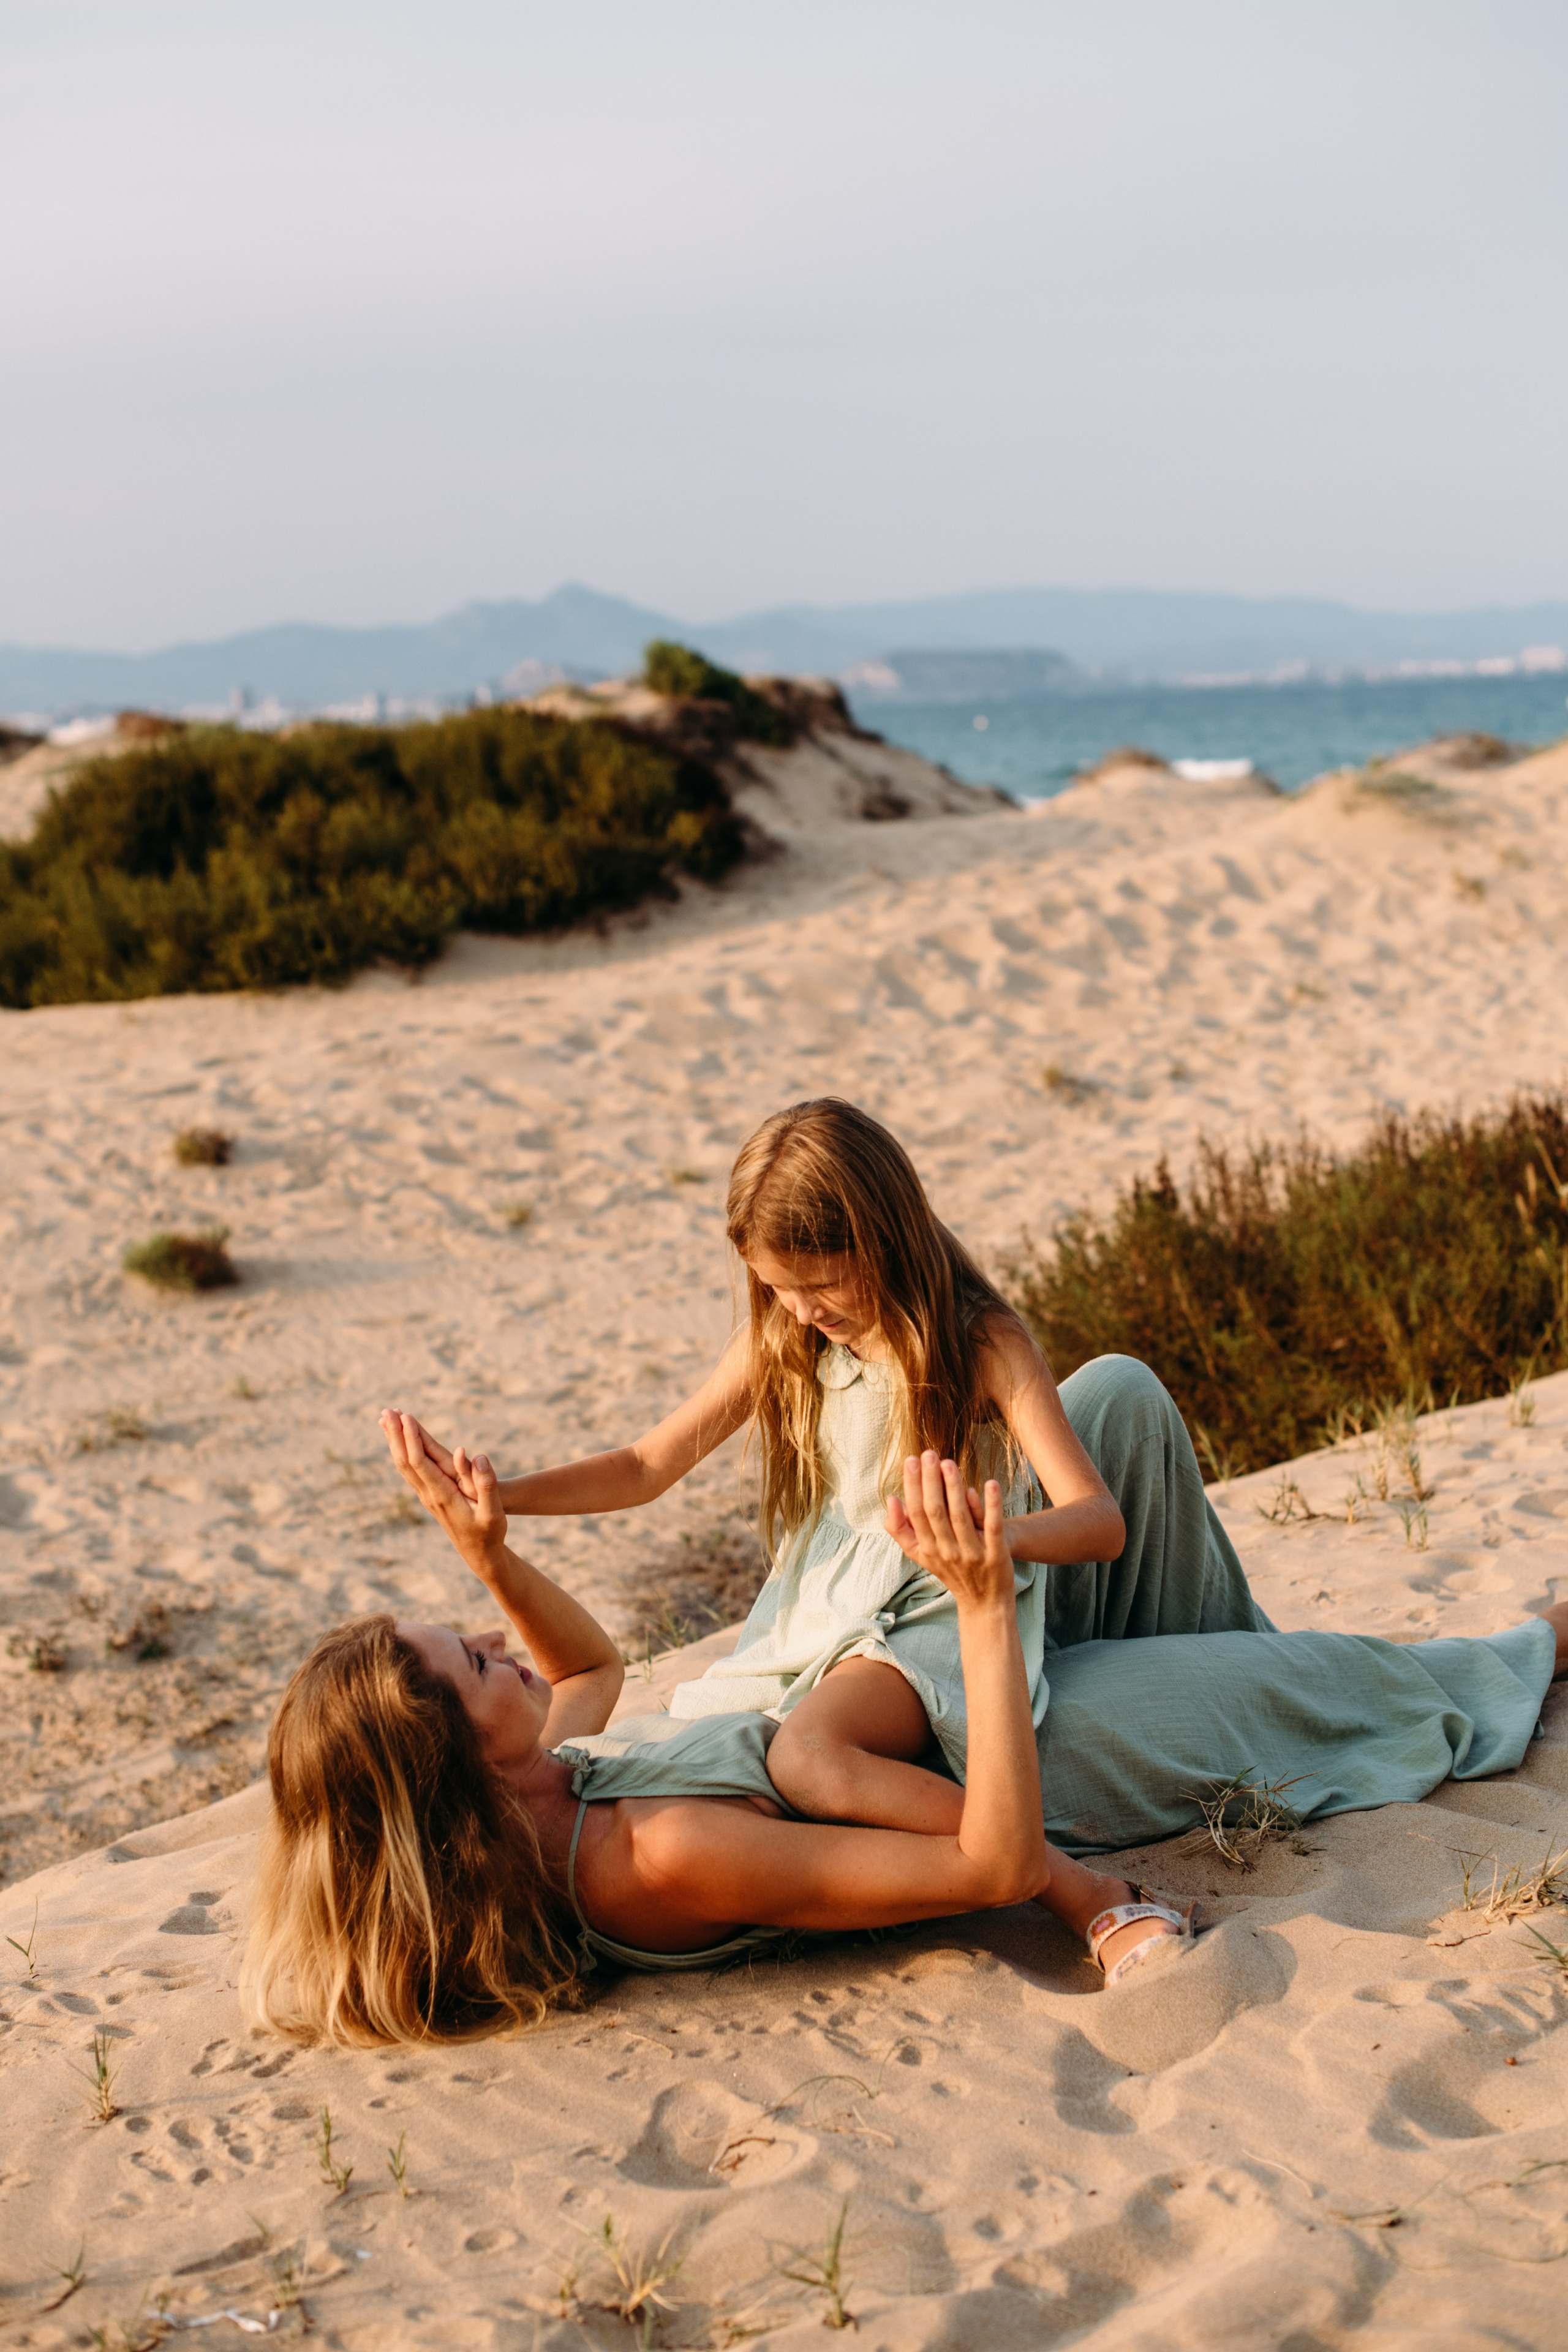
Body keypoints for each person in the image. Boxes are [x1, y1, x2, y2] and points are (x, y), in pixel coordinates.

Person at [246, 1418, 1565, 2048]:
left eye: (464, 1632)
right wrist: (986, 1611)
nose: (493, 1650)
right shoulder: (649, 1860)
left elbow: (586, 1663)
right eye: (467, 1666)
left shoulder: (547, 1782)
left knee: (1108, 1404)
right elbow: (989, 1867)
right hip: (1022, 1768)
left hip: (896, 1686)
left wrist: (490, 1552)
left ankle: (1231, 1680)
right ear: (447, 1771)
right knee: (1386, 1678)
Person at [382, 1098, 1279, 1981]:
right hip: (812, 1620)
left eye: (821, 1283)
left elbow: (1100, 1522)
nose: (802, 1310)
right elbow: (645, 1465)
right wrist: (504, 1503)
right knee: (738, 1736)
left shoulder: (980, 1344)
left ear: (885, 1240)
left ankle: (1076, 1888)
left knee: (808, 1757)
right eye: (778, 1289)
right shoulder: (786, 1342)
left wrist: (991, 1545)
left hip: (927, 1603)